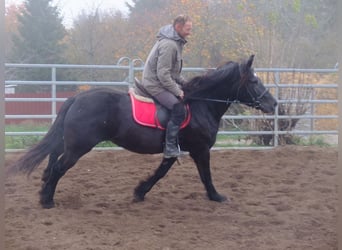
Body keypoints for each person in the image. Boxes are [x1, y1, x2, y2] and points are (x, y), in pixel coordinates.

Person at [141, 15, 192, 158]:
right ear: (178, 27)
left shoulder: (175, 43)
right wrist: (177, 90)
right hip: (155, 84)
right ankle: (170, 148)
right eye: (188, 29)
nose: (189, 32)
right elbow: (163, 75)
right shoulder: (169, 45)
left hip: (160, 81)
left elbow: (173, 73)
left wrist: (187, 85)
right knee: (178, 108)